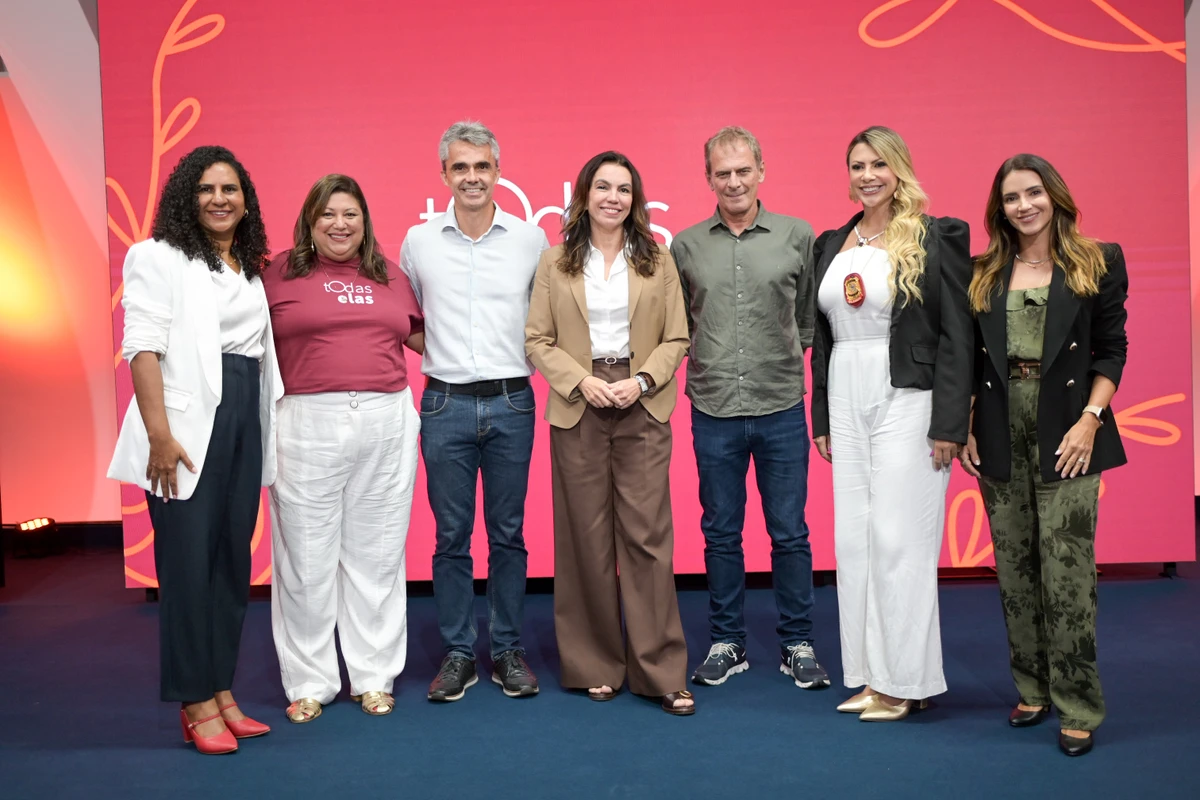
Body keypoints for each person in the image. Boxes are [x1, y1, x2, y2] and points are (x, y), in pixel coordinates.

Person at [108, 145, 281, 754]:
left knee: (231, 563)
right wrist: (159, 434)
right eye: (206, 188)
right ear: (187, 195)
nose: (218, 199)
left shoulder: (249, 266)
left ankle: (221, 688)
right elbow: (143, 348)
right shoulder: (157, 256)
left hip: (244, 416)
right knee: (186, 568)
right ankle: (194, 699)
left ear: (245, 199)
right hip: (182, 429)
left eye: (230, 189)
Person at [962, 154, 1128, 756]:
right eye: (1011, 198)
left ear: (1055, 196)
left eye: (1033, 193)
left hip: (1069, 431)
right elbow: (976, 363)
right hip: (1002, 429)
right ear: (999, 209)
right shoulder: (983, 272)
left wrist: (1090, 419)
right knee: (1015, 567)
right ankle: (1031, 688)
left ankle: (1078, 705)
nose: (1024, 205)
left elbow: (1112, 350)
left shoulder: (1097, 261)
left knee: (1066, 573)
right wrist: (972, 424)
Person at [809, 125, 972, 721]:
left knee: (899, 541)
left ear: (899, 168)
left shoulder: (938, 236)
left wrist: (951, 421)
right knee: (855, 542)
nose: (867, 175)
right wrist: (822, 413)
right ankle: (872, 675)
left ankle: (907, 680)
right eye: (857, 165)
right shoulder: (831, 243)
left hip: (910, 397)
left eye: (879, 164)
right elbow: (821, 341)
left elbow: (960, 334)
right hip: (847, 398)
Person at [526, 151, 694, 715]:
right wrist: (580, 381)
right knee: (584, 540)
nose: (613, 197)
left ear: (635, 200)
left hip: (641, 404)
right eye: (603, 186)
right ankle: (594, 663)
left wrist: (642, 379)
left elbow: (676, 338)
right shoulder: (555, 262)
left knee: (647, 538)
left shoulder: (658, 260)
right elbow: (538, 340)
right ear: (584, 195)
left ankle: (660, 670)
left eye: (624, 189)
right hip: (579, 405)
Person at [670, 126, 828, 689]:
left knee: (789, 533)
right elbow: (680, 325)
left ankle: (798, 643)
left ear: (761, 169)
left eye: (743, 170)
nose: (733, 182)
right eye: (722, 173)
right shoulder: (685, 245)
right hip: (712, 409)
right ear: (708, 177)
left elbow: (807, 320)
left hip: (781, 406)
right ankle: (726, 642)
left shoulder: (797, 236)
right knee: (720, 534)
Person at [263, 174, 424, 722]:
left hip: (386, 418)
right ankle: (309, 681)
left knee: (376, 556)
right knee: (306, 560)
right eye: (328, 213)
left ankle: (374, 676)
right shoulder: (277, 273)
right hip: (307, 421)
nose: (339, 224)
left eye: (350, 214)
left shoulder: (390, 274)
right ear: (310, 220)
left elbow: (427, 337)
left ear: (365, 221)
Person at [400, 121, 549, 702]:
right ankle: (460, 653)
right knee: (451, 536)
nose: (471, 177)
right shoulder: (419, 242)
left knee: (508, 535)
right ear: (444, 175)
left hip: (514, 401)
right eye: (460, 167)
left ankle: (508, 649)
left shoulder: (529, 240)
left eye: (481, 167)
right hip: (445, 402)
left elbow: (546, 318)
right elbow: (407, 319)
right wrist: (440, 354)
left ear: (497, 173)